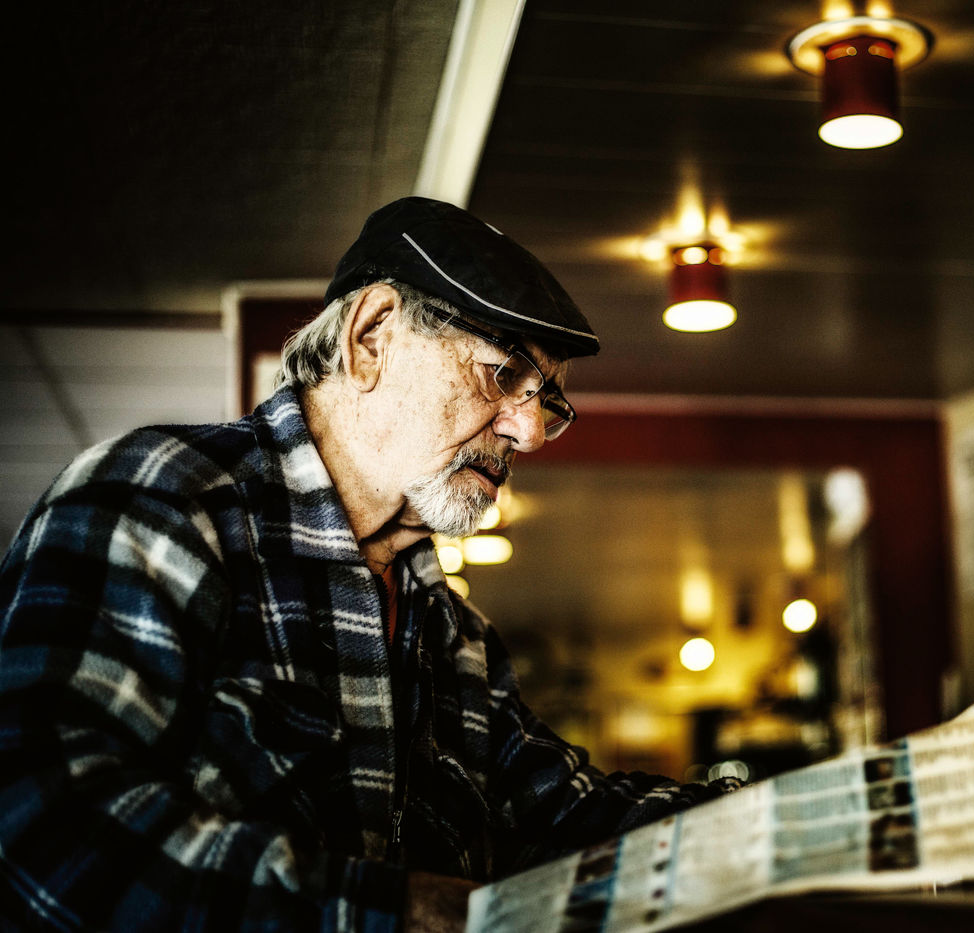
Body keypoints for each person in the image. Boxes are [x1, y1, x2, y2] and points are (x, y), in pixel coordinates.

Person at [0, 197, 739, 932]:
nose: (532, 432)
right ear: (372, 337)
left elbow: (563, 817)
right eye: (505, 374)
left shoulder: (455, 634)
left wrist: (774, 815)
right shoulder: (160, 501)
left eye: (547, 401)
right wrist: (401, 914)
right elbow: (41, 823)